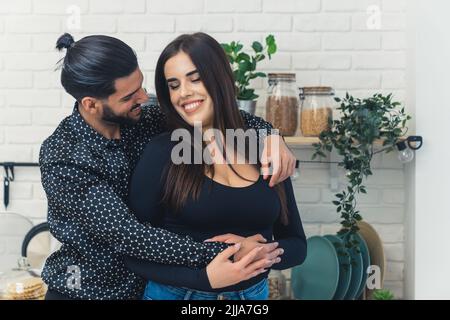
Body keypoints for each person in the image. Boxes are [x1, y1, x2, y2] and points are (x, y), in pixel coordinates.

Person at [39, 33, 297, 300]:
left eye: (141, 85)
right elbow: (130, 235)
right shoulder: (63, 155)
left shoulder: (141, 120)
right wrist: (230, 253)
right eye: (129, 96)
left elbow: (218, 112)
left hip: (148, 290)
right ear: (91, 104)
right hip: (86, 292)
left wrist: (269, 134)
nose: (143, 97)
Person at [125, 32, 307, 300]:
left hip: (252, 297)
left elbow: (297, 245)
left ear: (219, 78)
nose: (184, 93)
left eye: (195, 79)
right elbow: (132, 251)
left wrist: (260, 252)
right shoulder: (163, 152)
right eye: (173, 85)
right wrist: (204, 278)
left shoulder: (265, 150)